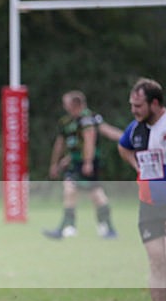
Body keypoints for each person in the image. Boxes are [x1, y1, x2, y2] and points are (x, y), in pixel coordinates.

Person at [117, 78, 166, 301]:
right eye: (132, 105)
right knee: (157, 261)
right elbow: (122, 147)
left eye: (138, 105)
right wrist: (137, 165)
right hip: (149, 204)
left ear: (155, 103)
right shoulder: (136, 129)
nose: (134, 110)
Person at [43, 91, 123, 240]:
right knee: (70, 189)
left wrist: (88, 162)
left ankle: (109, 229)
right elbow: (63, 144)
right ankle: (66, 227)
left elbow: (90, 140)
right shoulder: (67, 122)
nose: (64, 106)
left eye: (66, 103)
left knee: (96, 194)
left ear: (75, 104)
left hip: (87, 163)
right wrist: (59, 162)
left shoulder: (87, 120)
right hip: (75, 162)